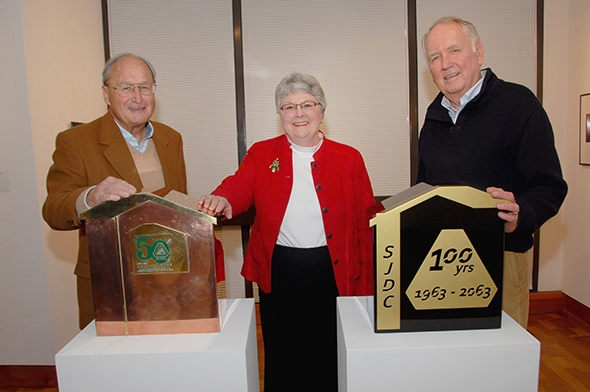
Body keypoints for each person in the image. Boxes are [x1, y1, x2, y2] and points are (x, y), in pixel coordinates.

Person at [198, 72, 375, 391]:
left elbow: (366, 220)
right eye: (288, 106)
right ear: (279, 114)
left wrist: (371, 284)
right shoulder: (262, 153)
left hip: (333, 272)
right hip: (279, 273)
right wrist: (222, 197)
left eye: (307, 104)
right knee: (283, 355)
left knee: (330, 355)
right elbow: (239, 184)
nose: (298, 113)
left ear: (322, 109)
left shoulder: (349, 158)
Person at [418, 17, 568, 328]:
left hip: (501, 255)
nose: (445, 64)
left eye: (454, 50)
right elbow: (424, 188)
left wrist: (520, 215)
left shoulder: (518, 104)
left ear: (479, 52)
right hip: (440, 260)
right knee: (449, 351)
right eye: (435, 57)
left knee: (502, 359)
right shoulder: (433, 118)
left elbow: (549, 185)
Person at [43, 53, 189, 330]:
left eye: (145, 87)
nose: (138, 97)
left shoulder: (171, 138)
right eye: (125, 87)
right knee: (112, 369)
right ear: (106, 94)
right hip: (110, 283)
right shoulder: (76, 141)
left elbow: (175, 205)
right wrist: (90, 196)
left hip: (168, 277)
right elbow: (53, 209)